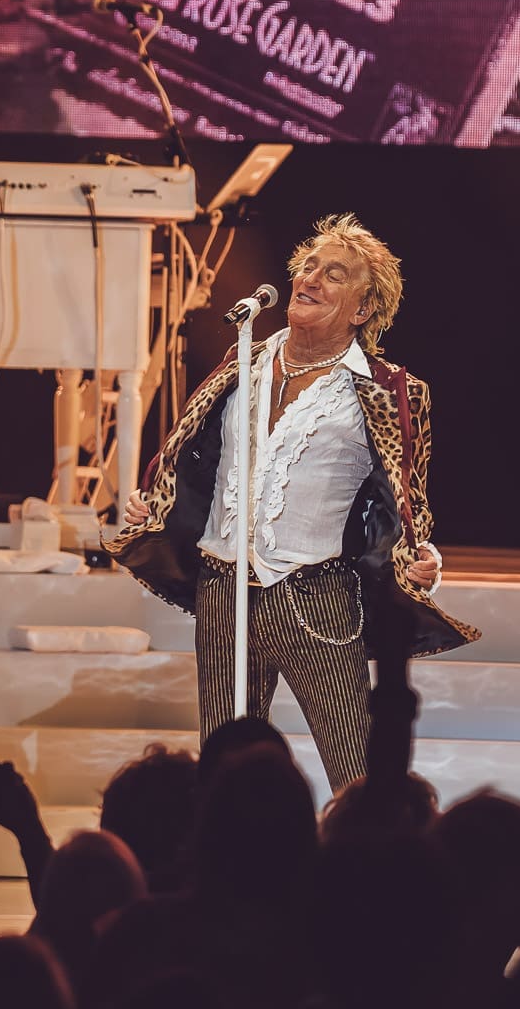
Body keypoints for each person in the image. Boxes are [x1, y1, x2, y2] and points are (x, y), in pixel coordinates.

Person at [105, 213, 477, 792]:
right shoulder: (243, 360)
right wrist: (157, 501)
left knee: (359, 777)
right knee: (224, 779)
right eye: (308, 266)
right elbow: (190, 453)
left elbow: (409, 497)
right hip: (223, 590)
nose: (310, 279)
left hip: (315, 599)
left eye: (335, 274)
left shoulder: (386, 390)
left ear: (362, 309)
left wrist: (421, 553)